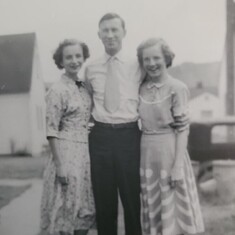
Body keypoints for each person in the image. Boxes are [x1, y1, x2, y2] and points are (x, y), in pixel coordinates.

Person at [84, 13, 188, 235]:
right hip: (100, 138)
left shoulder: (138, 65)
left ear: (124, 33)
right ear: (99, 35)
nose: (110, 35)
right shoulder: (91, 68)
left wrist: (177, 114)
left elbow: (159, 87)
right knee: (104, 202)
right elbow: (88, 101)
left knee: (132, 202)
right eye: (105, 31)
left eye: (115, 30)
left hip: (129, 137)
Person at [137, 37, 205, 235]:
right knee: (154, 210)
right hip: (147, 155)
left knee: (175, 210)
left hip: (170, 152)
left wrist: (177, 167)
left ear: (166, 58)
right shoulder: (140, 88)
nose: (151, 64)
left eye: (156, 58)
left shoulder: (177, 87)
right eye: (146, 59)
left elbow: (183, 129)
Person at [40, 39, 95, 235]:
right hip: (65, 152)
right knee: (65, 207)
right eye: (69, 57)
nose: (74, 60)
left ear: (84, 58)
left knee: (84, 210)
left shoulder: (84, 87)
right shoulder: (57, 90)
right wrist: (60, 164)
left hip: (84, 154)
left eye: (78, 56)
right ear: (61, 62)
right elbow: (51, 130)